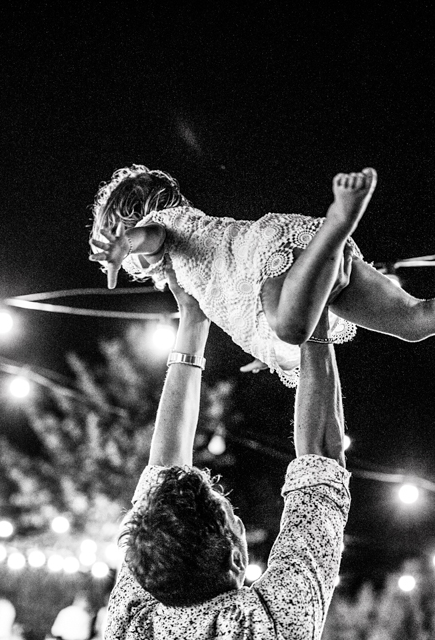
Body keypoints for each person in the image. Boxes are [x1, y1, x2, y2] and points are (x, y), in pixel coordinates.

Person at [89, 165, 435, 387]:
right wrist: (263, 346)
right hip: (298, 265)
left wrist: (123, 244)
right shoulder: (188, 265)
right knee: (413, 320)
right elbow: (227, 305)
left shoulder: (169, 230)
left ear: (132, 217)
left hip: (270, 254)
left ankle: (337, 224)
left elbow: (151, 236)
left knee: (291, 327)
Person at [105, 264, 350, 639]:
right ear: (236, 559)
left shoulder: (277, 626)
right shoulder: (127, 626)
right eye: (233, 517)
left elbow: (322, 465)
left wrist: (312, 312)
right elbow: (321, 460)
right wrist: (192, 317)